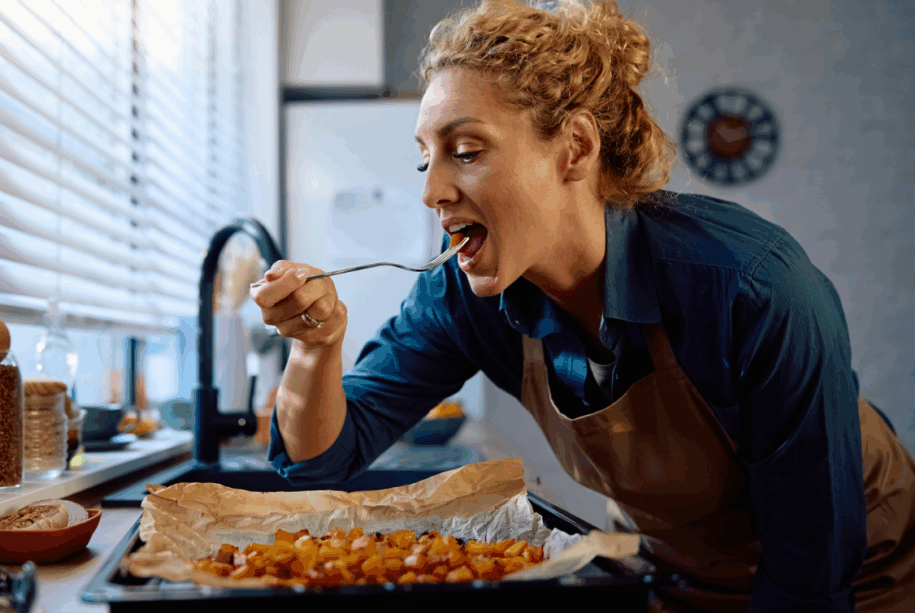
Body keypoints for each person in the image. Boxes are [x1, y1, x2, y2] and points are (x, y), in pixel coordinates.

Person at [249, 1, 915, 611]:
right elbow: (318, 463)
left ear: (574, 148)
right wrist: (314, 349)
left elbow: (810, 568)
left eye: (467, 150)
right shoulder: (464, 296)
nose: (433, 192)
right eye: (427, 160)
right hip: (677, 576)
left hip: (862, 580)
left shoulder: (750, 285)